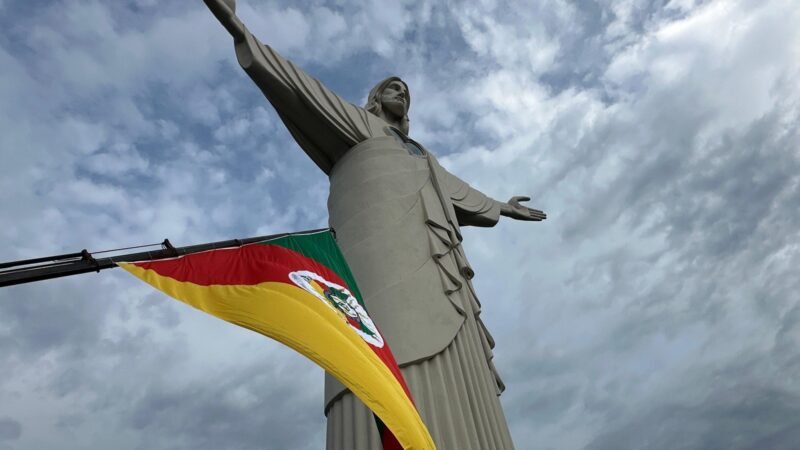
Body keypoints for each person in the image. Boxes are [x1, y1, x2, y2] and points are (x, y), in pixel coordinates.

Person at [203, 1, 546, 448]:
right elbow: (303, 90)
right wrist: (237, 27)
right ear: (375, 98)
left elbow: (459, 191)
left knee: (462, 374)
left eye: (407, 91)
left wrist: (502, 206)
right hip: (379, 272)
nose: (402, 94)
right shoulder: (362, 128)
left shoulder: (422, 154)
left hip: (439, 280)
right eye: (394, 88)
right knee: (380, 357)